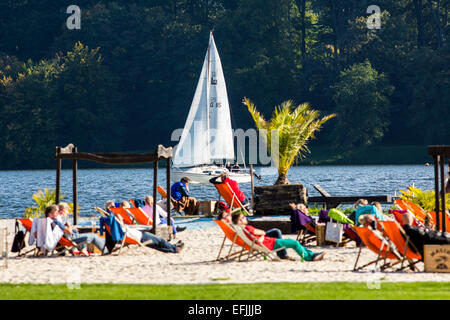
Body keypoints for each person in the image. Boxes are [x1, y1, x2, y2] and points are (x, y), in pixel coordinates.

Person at [231, 211, 325, 261]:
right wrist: (262, 235)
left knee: (294, 243)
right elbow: (261, 233)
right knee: (295, 243)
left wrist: (262, 236)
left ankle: (312, 255)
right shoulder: (248, 229)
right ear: (239, 221)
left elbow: (258, 237)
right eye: (243, 217)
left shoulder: (243, 230)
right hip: (271, 244)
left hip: (268, 243)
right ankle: (309, 257)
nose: (245, 218)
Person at [113, 214, 184, 253]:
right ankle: (174, 248)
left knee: (155, 246)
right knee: (159, 240)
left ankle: (174, 248)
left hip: (139, 237)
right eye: (121, 219)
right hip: (142, 236)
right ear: (118, 221)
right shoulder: (122, 229)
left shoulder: (118, 230)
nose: (122, 220)